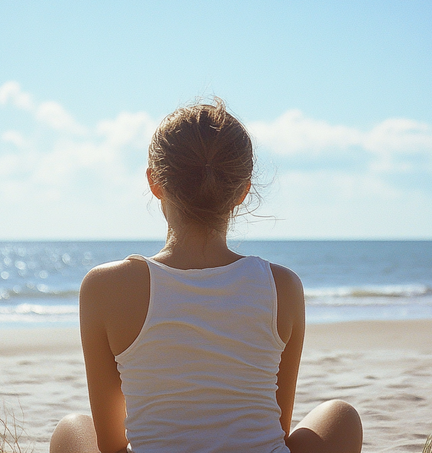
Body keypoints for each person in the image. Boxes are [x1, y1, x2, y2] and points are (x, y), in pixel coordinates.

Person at [49, 99, 363, 453]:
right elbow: (276, 426)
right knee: (341, 416)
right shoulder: (283, 287)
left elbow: (110, 444)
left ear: (155, 182)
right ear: (243, 191)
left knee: (71, 429)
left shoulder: (104, 286)